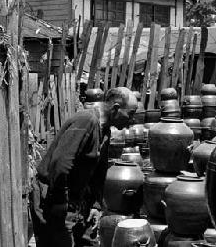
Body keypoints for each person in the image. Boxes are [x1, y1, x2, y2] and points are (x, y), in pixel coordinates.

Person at [32, 87, 138, 246]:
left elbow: (98, 173)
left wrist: (95, 205)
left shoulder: (105, 132)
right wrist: (61, 207)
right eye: (130, 113)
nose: (132, 120)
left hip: (77, 201)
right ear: (116, 109)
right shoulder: (86, 120)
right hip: (54, 197)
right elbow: (60, 164)